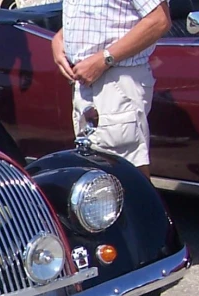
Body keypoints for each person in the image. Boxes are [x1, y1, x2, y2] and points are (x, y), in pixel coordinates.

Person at [52, 0, 171, 177]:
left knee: (124, 171)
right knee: (96, 170)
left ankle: (141, 206)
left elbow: (159, 20)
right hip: (86, 80)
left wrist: (104, 59)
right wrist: (60, 39)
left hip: (117, 79)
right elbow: (102, 16)